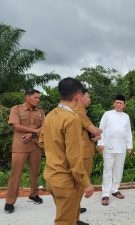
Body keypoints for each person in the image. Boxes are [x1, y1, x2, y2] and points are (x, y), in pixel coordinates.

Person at [39, 78, 94, 225]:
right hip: (66, 181)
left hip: (51, 176)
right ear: (78, 96)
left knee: (65, 214)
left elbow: (42, 142)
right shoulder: (72, 119)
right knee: (64, 221)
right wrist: (86, 183)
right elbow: (74, 158)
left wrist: (56, 155)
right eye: (83, 95)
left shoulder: (50, 115)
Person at [4, 89, 45, 214]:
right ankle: (10, 202)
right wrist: (34, 131)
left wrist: (31, 135)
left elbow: (44, 127)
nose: (38, 100)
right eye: (35, 97)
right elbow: (16, 125)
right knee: (16, 174)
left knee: (35, 172)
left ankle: (33, 194)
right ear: (27, 97)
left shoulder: (40, 111)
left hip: (35, 146)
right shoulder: (16, 109)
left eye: (39, 98)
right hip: (20, 146)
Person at [97, 95, 132, 206]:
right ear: (113, 103)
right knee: (107, 170)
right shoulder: (107, 114)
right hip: (108, 147)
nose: (118, 104)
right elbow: (101, 129)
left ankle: (115, 189)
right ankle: (105, 194)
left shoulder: (126, 116)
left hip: (121, 148)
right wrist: (100, 143)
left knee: (118, 170)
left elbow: (128, 132)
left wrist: (129, 146)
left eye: (121, 103)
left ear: (124, 105)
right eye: (117, 102)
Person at [75, 88, 102, 215]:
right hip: (82, 154)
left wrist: (93, 136)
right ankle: (74, 214)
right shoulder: (78, 112)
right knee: (79, 184)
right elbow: (94, 130)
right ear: (81, 97)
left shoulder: (81, 113)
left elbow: (85, 132)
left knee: (78, 185)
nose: (90, 100)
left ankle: (76, 208)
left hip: (85, 151)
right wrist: (100, 131)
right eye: (88, 97)